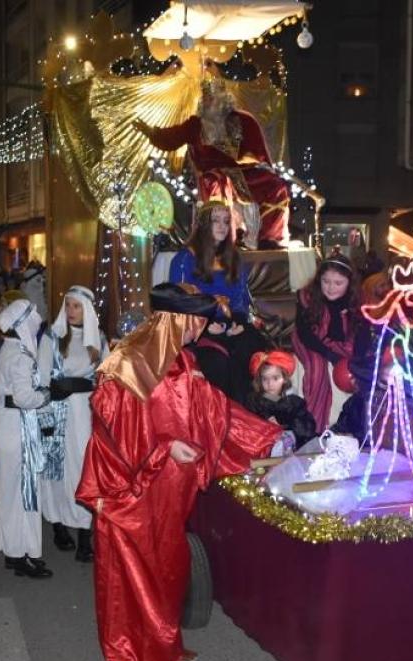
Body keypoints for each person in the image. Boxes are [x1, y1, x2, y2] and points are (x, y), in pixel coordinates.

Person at [77, 283, 282, 661]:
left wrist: (267, 434)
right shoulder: (126, 363)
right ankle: (123, 657)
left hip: (171, 489)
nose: (202, 329)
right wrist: (165, 448)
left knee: (168, 565)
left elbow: (213, 410)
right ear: (177, 319)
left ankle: (163, 643)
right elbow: (113, 429)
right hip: (128, 490)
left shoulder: (185, 361)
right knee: (126, 572)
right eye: (197, 321)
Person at [134, 75, 290, 247]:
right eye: (205, 97)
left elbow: (258, 154)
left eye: (211, 96)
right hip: (213, 176)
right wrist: (152, 133)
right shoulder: (195, 125)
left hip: (246, 174)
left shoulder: (244, 120)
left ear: (223, 99)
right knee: (219, 182)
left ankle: (269, 238)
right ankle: (225, 241)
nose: (207, 100)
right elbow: (171, 137)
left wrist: (250, 159)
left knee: (276, 185)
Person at [167, 201, 269, 401]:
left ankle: (246, 413)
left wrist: (237, 324)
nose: (222, 226)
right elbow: (179, 303)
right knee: (217, 361)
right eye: (216, 221)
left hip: (231, 323)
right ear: (204, 224)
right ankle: (219, 419)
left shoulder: (234, 258)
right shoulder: (183, 259)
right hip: (196, 327)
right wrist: (204, 327)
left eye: (226, 221)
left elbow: (240, 301)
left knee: (251, 345)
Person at [37, 286, 107, 561]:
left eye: (76, 306)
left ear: (87, 310)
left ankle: (84, 536)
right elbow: (41, 379)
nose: (71, 312)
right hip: (58, 412)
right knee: (56, 471)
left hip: (86, 415)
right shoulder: (53, 338)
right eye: (67, 306)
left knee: (84, 471)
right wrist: (48, 403)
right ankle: (57, 524)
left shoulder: (98, 340)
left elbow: (107, 377)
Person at [0, 299, 57, 578]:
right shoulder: (20, 356)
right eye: (33, 318)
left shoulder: (9, 349)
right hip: (17, 426)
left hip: (8, 424)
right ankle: (21, 555)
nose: (38, 321)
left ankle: (17, 551)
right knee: (23, 493)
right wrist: (47, 395)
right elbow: (25, 397)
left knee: (12, 492)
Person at [293, 257, 357, 431]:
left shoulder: (354, 302)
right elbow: (305, 333)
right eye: (326, 281)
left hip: (337, 342)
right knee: (317, 367)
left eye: (338, 283)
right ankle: (312, 426)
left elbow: (348, 335)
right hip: (310, 339)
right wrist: (329, 355)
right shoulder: (307, 296)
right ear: (318, 280)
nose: (331, 288)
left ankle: (348, 426)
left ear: (349, 283)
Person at [244, 350, 317, 450]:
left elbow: (307, 429)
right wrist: (265, 425)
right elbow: (247, 428)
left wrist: (284, 426)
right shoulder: (255, 402)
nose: (270, 384)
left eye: (275, 378)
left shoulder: (293, 403)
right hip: (263, 449)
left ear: (285, 379)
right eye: (265, 379)